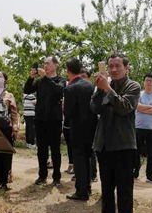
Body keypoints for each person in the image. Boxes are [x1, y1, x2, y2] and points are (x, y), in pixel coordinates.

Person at [91, 53, 141, 213]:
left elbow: (125, 107)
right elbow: (94, 108)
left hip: (124, 147)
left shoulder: (133, 86)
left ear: (126, 68)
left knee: (125, 192)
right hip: (103, 146)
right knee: (106, 191)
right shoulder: (102, 88)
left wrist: (108, 89)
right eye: (110, 66)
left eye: (117, 66)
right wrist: (99, 90)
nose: (113, 69)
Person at [24, 56, 67, 186]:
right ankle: (42, 175)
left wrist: (46, 78)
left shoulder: (61, 80)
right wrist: (31, 77)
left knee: (55, 149)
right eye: (44, 64)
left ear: (56, 65)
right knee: (41, 149)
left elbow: (58, 91)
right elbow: (27, 90)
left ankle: (56, 177)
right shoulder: (40, 81)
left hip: (54, 120)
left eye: (48, 63)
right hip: (40, 119)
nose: (45, 66)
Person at [64, 58, 98, 201]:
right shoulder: (90, 85)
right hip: (91, 128)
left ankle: (81, 191)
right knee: (89, 158)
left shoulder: (70, 88)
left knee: (79, 160)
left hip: (77, 129)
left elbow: (68, 112)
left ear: (68, 71)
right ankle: (88, 187)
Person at [134, 73, 152, 183]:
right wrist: (151, 107)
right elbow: (137, 106)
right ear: (143, 82)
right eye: (147, 80)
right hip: (139, 127)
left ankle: (150, 175)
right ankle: (135, 171)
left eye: (151, 80)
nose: (149, 82)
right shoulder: (139, 94)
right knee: (136, 152)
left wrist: (143, 109)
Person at [80, 68, 98, 183]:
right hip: (79, 124)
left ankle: (93, 174)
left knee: (91, 150)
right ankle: (81, 174)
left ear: (89, 78)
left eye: (84, 76)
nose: (82, 79)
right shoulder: (76, 89)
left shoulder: (93, 89)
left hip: (91, 123)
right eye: (80, 76)